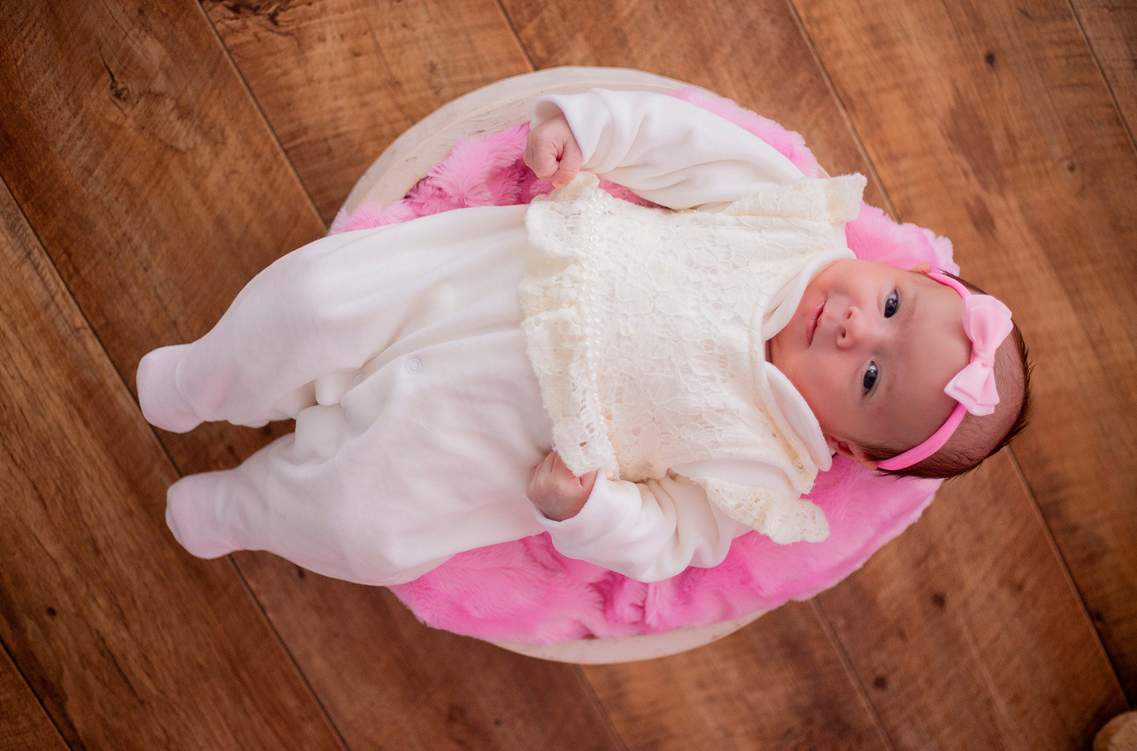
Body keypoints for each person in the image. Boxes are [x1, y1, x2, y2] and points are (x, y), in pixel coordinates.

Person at [137, 89, 1031, 585]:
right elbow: (684, 141)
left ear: (843, 444)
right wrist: (587, 130)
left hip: (486, 441)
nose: (849, 328)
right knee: (317, 298)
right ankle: (202, 381)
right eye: (891, 307)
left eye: (871, 378)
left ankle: (243, 511)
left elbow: (670, 539)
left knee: (362, 525)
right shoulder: (789, 222)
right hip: (477, 285)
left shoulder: (768, 468)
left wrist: (592, 510)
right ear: (906, 273)